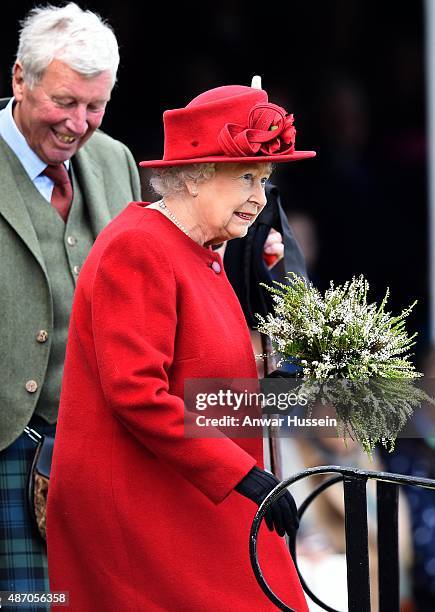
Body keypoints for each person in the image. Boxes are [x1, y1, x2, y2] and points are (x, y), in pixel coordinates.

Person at [47, 83, 316, 610]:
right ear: (192, 179)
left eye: (264, 179)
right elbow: (137, 394)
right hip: (144, 511)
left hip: (192, 497)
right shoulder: (139, 246)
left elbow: (199, 370)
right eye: (245, 177)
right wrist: (243, 475)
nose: (260, 198)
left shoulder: (204, 250)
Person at [0, 2, 141, 596]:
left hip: (96, 457)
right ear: (19, 79)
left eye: (95, 106)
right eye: (64, 102)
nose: (79, 124)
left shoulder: (116, 161)